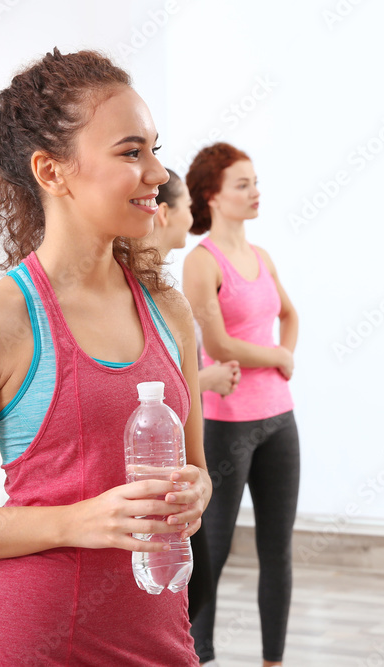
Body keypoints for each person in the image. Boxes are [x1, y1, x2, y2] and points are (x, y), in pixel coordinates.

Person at [0, 49, 209, 666]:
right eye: (131, 152)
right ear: (52, 172)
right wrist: (73, 522)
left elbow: (197, 470)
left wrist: (198, 491)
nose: (158, 172)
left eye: (155, 149)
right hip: (29, 643)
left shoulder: (170, 310)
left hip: (157, 638)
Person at [182, 143, 299, 667]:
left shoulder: (264, 257)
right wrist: (276, 354)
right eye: (242, 185)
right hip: (227, 425)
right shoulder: (201, 262)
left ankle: (273, 660)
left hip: (280, 419)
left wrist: (285, 358)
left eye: (256, 182)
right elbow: (220, 344)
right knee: (212, 550)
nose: (255, 193)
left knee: (278, 550)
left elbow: (290, 314)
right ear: (212, 196)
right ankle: (198, 656)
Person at [146, 168, 241, 622]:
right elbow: (141, 386)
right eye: (187, 208)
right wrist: (208, 379)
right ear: (163, 213)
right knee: (194, 585)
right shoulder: (146, 290)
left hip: (179, 476)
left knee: (194, 587)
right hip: (157, 480)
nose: (193, 218)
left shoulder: (168, 298)